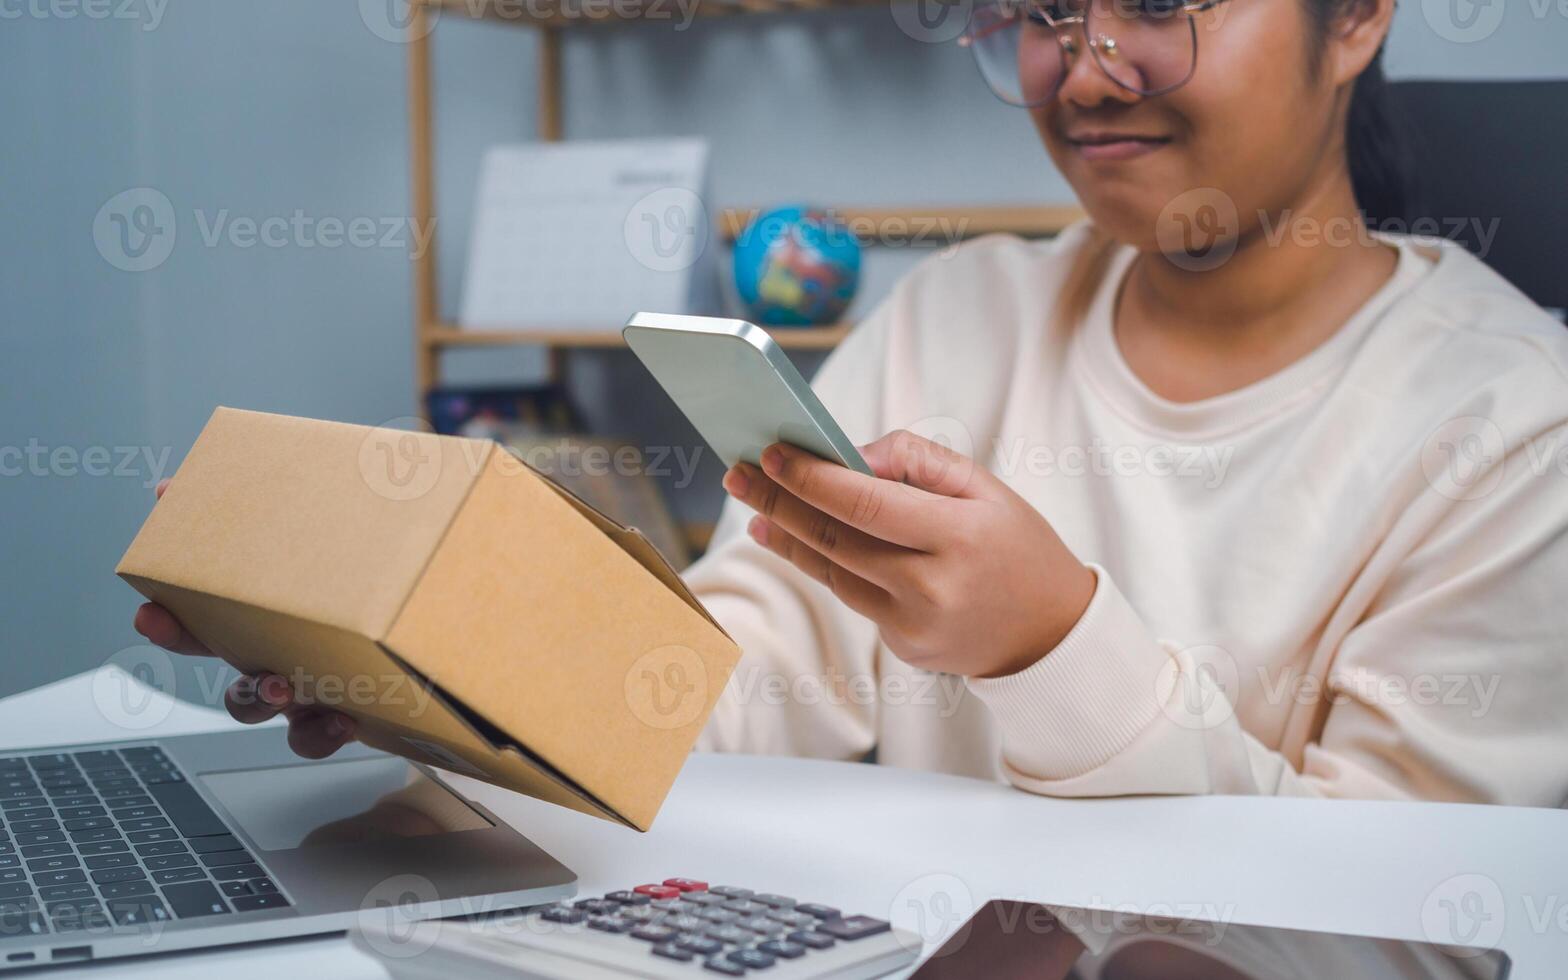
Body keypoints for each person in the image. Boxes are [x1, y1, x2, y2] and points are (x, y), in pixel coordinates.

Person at [136, 0, 1568, 805]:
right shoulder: (961, 311)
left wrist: (1051, 645)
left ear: (1358, 18)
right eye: (1046, 12)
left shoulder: (1517, 429)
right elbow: (751, 671)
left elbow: (1408, 926)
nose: (1092, 67)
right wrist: (459, 670)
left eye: (1161, 1)